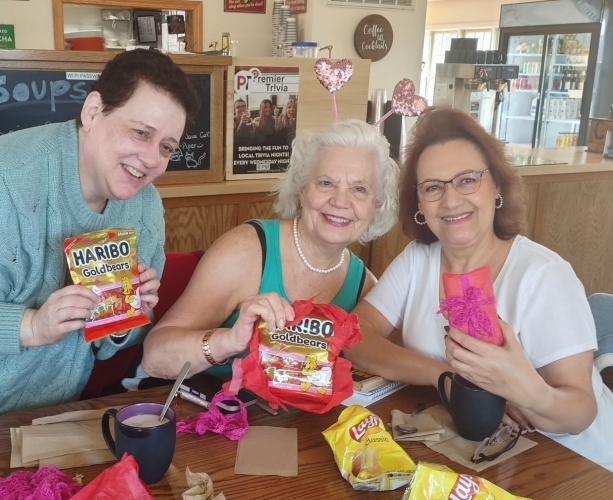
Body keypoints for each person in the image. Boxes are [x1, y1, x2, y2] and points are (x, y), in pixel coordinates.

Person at [344, 107, 613, 471]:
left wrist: (520, 387)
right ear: (419, 204)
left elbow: (580, 413)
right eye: (433, 187)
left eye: (467, 180)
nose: (451, 200)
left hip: (577, 463)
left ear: (496, 185)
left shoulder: (544, 275)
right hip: (481, 456)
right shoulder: (419, 259)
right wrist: (445, 378)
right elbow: (355, 335)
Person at [0, 49, 199, 414]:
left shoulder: (145, 208)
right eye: (140, 133)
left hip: (56, 414)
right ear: (93, 112)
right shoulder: (7, 179)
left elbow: (111, 345)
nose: (152, 160)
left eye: (166, 147)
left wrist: (127, 314)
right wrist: (32, 326)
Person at [141, 119, 399, 380]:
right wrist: (231, 340)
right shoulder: (246, 251)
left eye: (359, 189)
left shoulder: (366, 287)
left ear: (376, 204)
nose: (341, 201)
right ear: (302, 190)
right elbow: (154, 357)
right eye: (326, 183)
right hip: (202, 401)